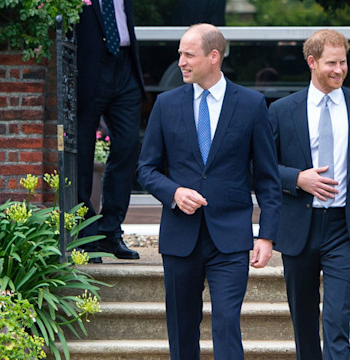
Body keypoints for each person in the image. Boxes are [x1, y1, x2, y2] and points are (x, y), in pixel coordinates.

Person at [137, 24, 281, 360]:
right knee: (182, 328)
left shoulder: (251, 104)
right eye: (180, 54)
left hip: (230, 238)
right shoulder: (166, 104)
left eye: (188, 55)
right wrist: (174, 193)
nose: (181, 62)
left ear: (213, 56)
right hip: (179, 236)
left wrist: (267, 235)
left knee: (227, 325)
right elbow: (146, 169)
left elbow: (267, 178)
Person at [269, 29, 350, 360]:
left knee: (336, 323)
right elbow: (261, 169)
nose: (339, 70)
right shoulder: (282, 110)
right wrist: (298, 178)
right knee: (305, 325)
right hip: (299, 227)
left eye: (343, 62)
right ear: (312, 62)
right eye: (331, 63)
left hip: (345, 229)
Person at [76, 0, 146, 262]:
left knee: (128, 146)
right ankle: (85, 235)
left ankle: (110, 231)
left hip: (125, 65)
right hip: (90, 70)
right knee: (83, 153)